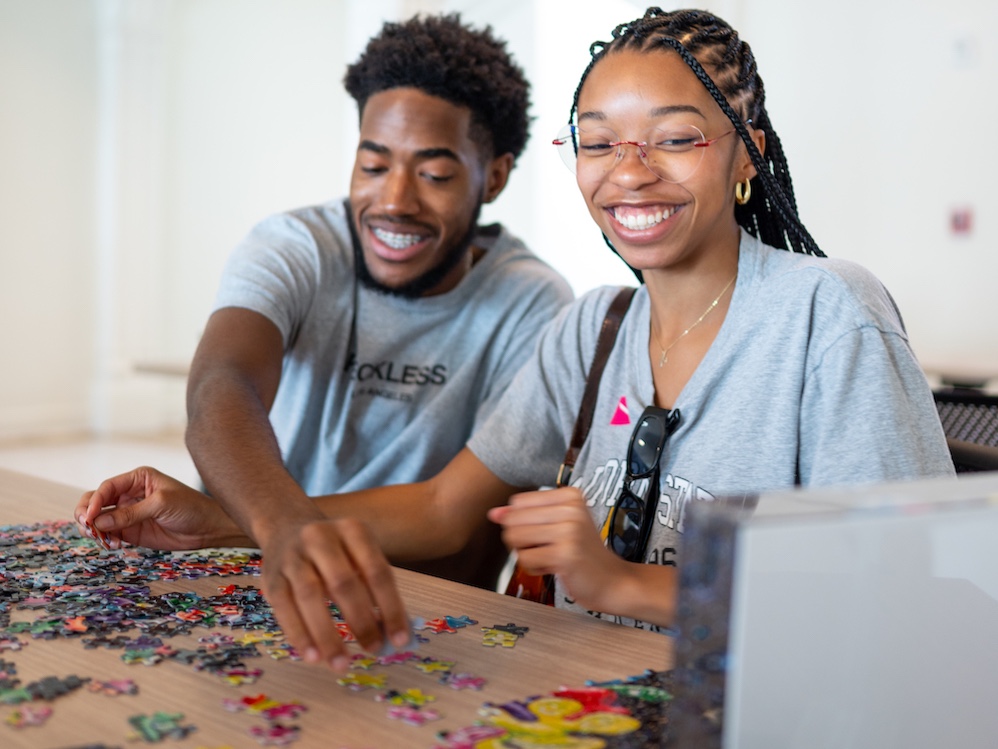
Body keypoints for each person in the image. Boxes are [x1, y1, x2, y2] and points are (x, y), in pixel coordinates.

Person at [77, 8, 954, 670]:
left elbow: (899, 593)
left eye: (676, 138)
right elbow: (443, 507)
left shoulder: (828, 310)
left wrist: (620, 581)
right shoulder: (593, 325)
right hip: (582, 690)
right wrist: (230, 521)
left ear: (747, 155)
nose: (631, 169)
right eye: (600, 142)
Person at [176, 13, 572, 596]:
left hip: (421, 608)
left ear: (494, 178)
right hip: (252, 574)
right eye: (373, 164)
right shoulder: (294, 246)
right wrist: (280, 528)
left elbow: (451, 520)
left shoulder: (535, 304)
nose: (393, 200)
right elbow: (221, 381)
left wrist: (260, 524)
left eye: (435, 174)